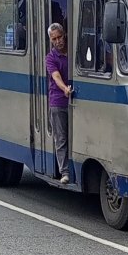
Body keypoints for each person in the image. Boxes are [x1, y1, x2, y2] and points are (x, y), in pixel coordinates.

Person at [46, 23, 73, 184]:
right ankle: (65, 172)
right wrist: (64, 89)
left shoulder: (73, 51)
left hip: (77, 101)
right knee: (61, 138)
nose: (57, 41)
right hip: (58, 101)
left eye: (59, 37)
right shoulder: (51, 58)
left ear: (65, 35)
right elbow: (56, 77)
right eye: (54, 39)